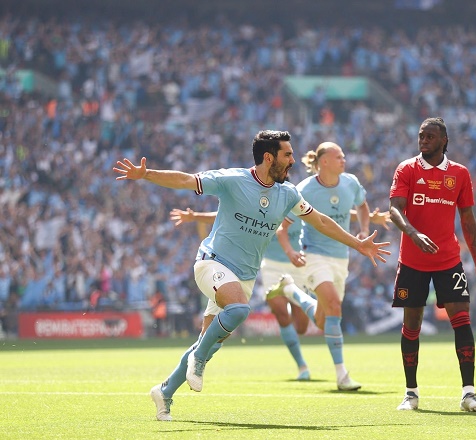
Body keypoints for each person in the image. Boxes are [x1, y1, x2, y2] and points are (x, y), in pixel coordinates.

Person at [113, 130, 391, 421]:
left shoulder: (288, 193)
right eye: (287, 155)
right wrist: (146, 175)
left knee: (209, 341)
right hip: (212, 263)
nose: (293, 160)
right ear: (268, 157)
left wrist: (357, 243)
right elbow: (186, 180)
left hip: (244, 276)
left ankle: (165, 391)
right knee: (238, 311)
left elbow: (319, 220)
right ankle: (198, 362)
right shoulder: (233, 180)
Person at [169, 206, 391, 381]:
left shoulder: (290, 197)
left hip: (298, 263)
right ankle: (302, 366)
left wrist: (370, 217)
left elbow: (327, 215)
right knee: (280, 313)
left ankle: (292, 292)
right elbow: (227, 214)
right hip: (272, 264)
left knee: (303, 325)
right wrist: (196, 216)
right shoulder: (255, 199)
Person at [387, 117, 476, 412]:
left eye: (430, 136)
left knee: (461, 321)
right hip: (412, 261)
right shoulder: (406, 169)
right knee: (412, 325)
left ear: (444, 140)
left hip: (449, 260)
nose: (424, 140)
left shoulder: (459, 173)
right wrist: (412, 233)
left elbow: (468, 221)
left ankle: (469, 393)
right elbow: (394, 210)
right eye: (421, 135)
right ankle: (411, 393)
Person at [266, 141, 386, 392]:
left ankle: (291, 292)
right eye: (339, 156)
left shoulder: (351, 182)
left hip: (341, 258)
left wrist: (364, 229)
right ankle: (342, 375)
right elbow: (282, 228)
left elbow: (362, 205)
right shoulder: (304, 190)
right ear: (324, 162)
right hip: (314, 256)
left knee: (325, 320)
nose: (344, 160)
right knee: (334, 305)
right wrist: (290, 252)